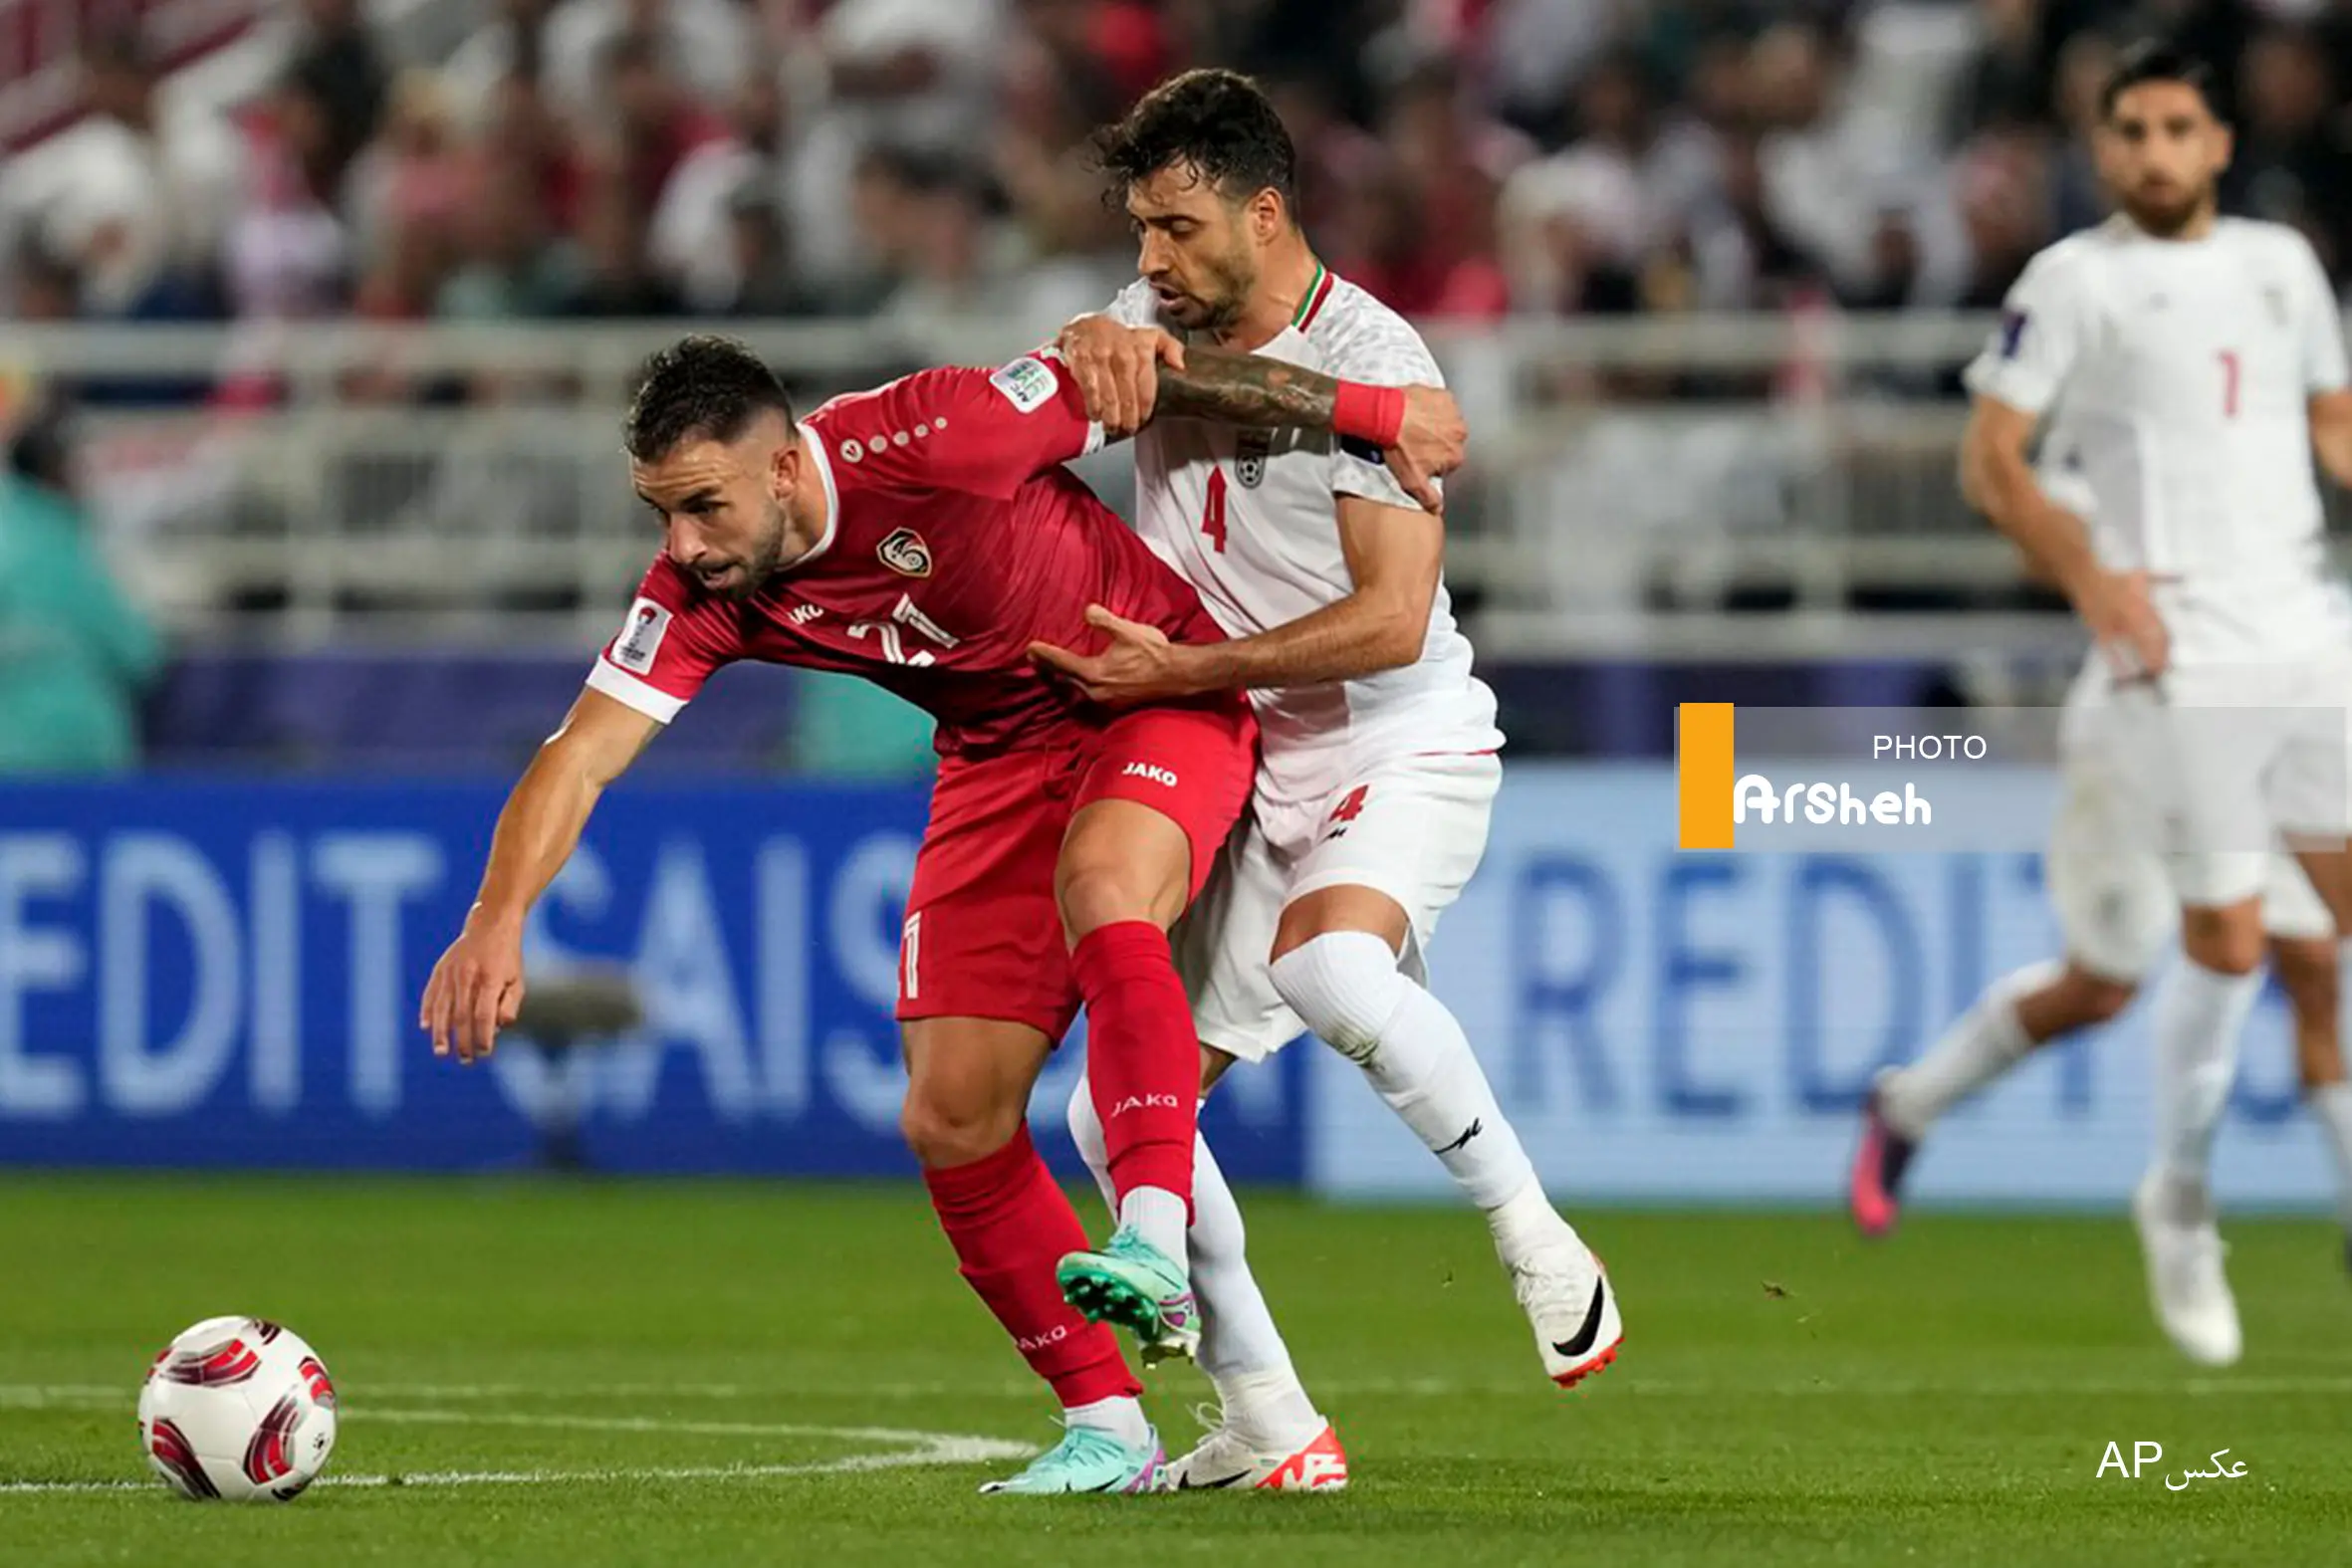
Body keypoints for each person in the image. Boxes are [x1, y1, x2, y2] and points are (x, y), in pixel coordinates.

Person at [417, 334, 1466, 1493]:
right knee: (950, 1116)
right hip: (992, 761)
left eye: (702, 507)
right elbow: (578, 758)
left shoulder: (941, 434)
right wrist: (495, 918)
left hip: (1149, 689)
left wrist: (1376, 408)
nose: (683, 546)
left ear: (781, 469)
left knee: (1105, 890)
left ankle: (1155, 1237)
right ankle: (1108, 1425)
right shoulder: (704, 589)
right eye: (662, 515)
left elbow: (1155, 379)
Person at [1029, 69, 1619, 1491]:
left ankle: (1541, 1243)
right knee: (1112, 1115)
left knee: (1330, 971)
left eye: (1174, 228)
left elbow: (1388, 620)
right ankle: (1268, 1422)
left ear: (1265, 209)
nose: (1149, 260)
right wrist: (1073, 351)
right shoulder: (1144, 323)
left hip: (1392, 731)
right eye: (1136, 232)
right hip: (1248, 749)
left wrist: (1169, 674)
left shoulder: (1379, 351)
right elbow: (1072, 386)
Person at [1945, 42, 2352, 1366]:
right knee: (2224, 939)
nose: (2153, 152)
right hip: (2169, 643)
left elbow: (2332, 425)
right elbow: (1989, 460)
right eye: (2129, 130)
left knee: (2323, 939)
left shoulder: (2281, 266)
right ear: (2105, 145)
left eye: (2178, 127)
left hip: (2300, 627)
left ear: (2218, 142)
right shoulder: (2072, 281)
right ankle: (2177, 1194)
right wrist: (2091, 578)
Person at [1851, 434, 2352, 1274]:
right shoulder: (2135, 436)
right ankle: (1909, 1104)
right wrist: (2096, 570)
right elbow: (2012, 499)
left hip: (2262, 731)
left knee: (2311, 962)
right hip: (2138, 738)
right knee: (2101, 986)